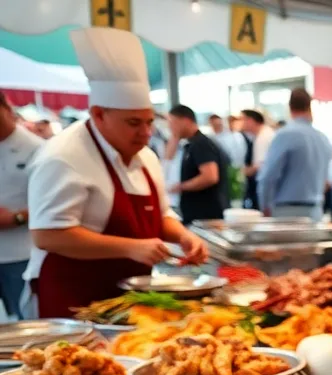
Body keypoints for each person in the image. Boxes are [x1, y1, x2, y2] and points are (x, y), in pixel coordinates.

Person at [25, 27, 207, 318]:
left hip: (130, 297)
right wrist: (130, 248)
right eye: (133, 123)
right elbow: (48, 236)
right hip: (74, 296)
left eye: (149, 122)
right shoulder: (62, 157)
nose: (146, 133)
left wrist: (184, 237)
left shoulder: (145, 156)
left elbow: (160, 216)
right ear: (99, 114)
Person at [257, 88, 332, 220]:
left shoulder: (284, 135)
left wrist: (264, 206)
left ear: (290, 107)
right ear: (309, 107)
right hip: (316, 211)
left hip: (287, 212)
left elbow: (268, 176)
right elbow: (328, 181)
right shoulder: (323, 138)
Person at [0, 91, 42, 319]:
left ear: (7, 108)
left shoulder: (37, 148)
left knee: (26, 321)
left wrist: (16, 217)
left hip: (22, 253)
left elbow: (53, 204)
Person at [166, 105, 228, 224]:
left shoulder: (201, 144)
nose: (170, 127)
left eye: (172, 122)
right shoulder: (189, 144)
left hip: (205, 216)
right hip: (193, 214)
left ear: (185, 121)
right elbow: (167, 158)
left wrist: (181, 187)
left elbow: (210, 176)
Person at [240, 109, 273, 211]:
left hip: (264, 187)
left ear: (250, 120)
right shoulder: (259, 135)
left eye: (242, 120)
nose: (241, 123)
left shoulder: (264, 137)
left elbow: (261, 165)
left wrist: (244, 172)